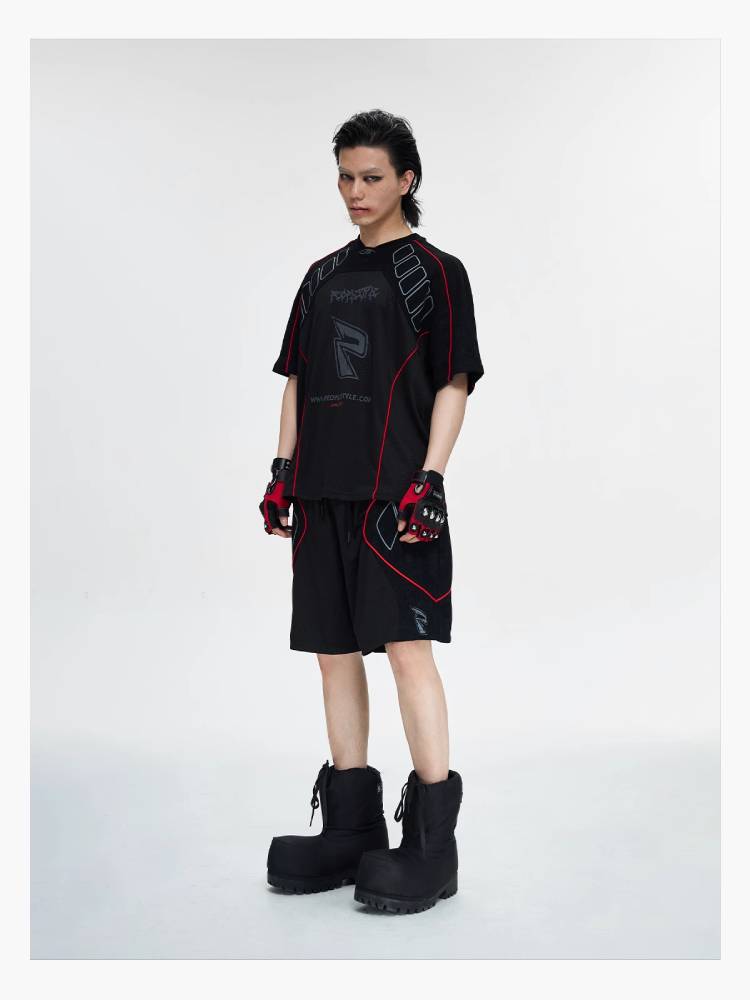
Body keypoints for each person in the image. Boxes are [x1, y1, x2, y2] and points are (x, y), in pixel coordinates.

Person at [260, 109, 484, 914]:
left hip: (396, 496)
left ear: (406, 181)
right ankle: (352, 825)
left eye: (372, 177)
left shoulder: (436, 272)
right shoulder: (320, 275)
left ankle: (432, 844)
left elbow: (454, 380)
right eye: (346, 177)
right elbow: (296, 377)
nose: (356, 191)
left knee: (407, 650)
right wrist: (283, 469)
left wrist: (431, 477)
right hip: (322, 490)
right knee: (332, 652)